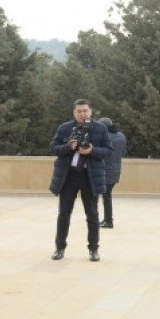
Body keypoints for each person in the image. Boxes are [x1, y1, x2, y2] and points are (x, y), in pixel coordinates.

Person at [49, 100, 110, 261]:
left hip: (89, 176)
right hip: (68, 176)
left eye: (85, 111)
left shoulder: (100, 128)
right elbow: (53, 147)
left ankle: (93, 249)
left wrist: (92, 150)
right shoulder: (65, 128)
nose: (82, 114)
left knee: (92, 214)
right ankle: (59, 248)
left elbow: (108, 150)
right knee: (63, 214)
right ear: (74, 113)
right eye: (79, 111)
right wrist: (68, 147)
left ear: (91, 111)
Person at [98, 118, 126, 228]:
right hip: (115, 169)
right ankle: (106, 219)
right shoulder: (121, 136)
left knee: (106, 196)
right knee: (107, 195)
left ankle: (108, 221)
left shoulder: (106, 137)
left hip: (106, 170)